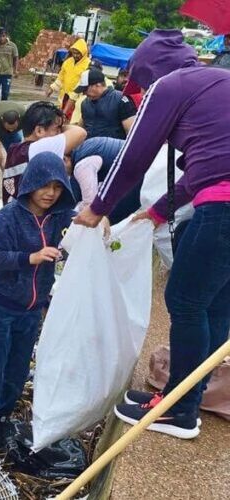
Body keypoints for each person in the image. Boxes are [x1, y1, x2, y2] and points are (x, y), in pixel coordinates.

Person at [75, 30, 230, 439]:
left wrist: (97, 209)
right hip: (219, 197)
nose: (142, 91)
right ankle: (188, 399)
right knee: (215, 306)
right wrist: (158, 212)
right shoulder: (219, 80)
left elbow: (133, 155)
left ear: (151, 71)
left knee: (185, 299)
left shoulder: (169, 85)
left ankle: (179, 412)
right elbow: (209, 164)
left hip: (224, 208)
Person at [0, 152, 78, 461]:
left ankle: (0, 421)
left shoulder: (60, 218)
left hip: (32, 311)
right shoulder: (10, 216)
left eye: (57, 187)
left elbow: (81, 230)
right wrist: (31, 258)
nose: (50, 193)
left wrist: (101, 223)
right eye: (45, 186)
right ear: (32, 184)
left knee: (17, 374)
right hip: (0, 309)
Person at [2, 101, 87, 203]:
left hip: (13, 210)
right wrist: (62, 124)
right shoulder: (39, 148)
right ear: (39, 131)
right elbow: (80, 133)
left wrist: (57, 125)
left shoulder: (15, 149)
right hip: (26, 214)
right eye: (57, 129)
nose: (60, 134)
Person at [76, 68, 137, 140]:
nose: (84, 93)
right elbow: (79, 130)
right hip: (89, 148)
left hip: (113, 149)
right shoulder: (85, 104)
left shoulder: (120, 99)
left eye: (85, 89)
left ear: (98, 85)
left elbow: (131, 132)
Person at [45, 39, 90, 119]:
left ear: (83, 52)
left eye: (78, 53)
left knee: (73, 119)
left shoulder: (88, 65)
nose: (75, 55)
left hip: (78, 97)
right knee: (61, 117)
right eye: (74, 53)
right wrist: (51, 88)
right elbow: (60, 78)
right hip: (65, 95)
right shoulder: (67, 62)